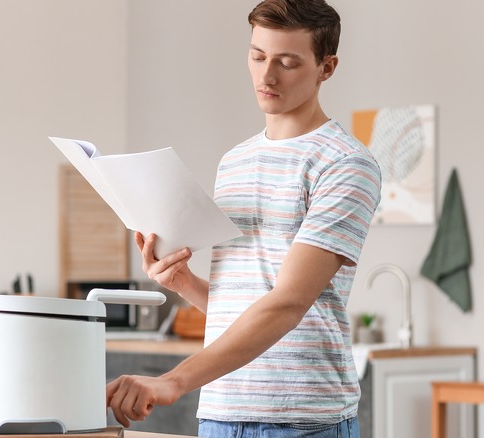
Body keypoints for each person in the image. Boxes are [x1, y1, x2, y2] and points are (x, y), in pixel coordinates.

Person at [106, 1, 381, 437]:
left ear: (326, 68)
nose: (266, 76)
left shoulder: (345, 164)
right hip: (220, 412)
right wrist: (184, 283)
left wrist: (173, 380)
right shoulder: (235, 162)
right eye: (257, 56)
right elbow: (244, 303)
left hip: (302, 419)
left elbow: (288, 303)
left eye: (287, 62)